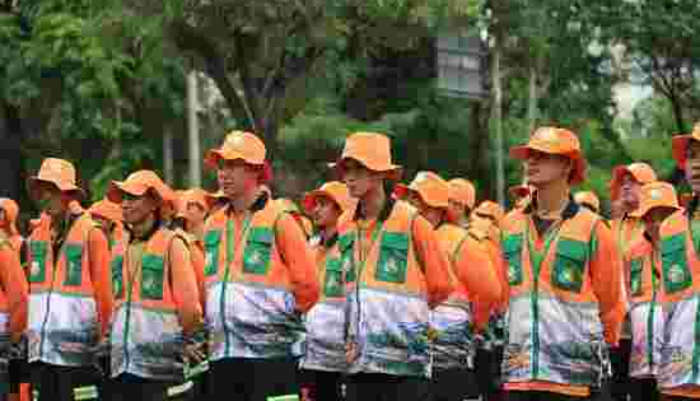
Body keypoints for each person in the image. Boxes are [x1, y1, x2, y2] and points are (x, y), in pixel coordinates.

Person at [502, 127, 625, 401]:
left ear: (567, 165)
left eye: (543, 155)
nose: (531, 161)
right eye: (529, 155)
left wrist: (592, 355)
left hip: (572, 379)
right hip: (519, 375)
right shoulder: (509, 224)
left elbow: (610, 303)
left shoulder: (592, 228)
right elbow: (504, 293)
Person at [331, 132, 454, 401]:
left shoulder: (413, 222)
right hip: (358, 362)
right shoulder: (344, 224)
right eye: (345, 169)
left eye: (358, 169)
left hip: (405, 364)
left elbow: (442, 285)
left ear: (380, 174)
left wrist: (406, 317)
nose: (349, 177)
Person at [202, 131, 320, 401]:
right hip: (222, 356)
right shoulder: (212, 225)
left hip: (273, 358)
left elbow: (310, 286)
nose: (223, 174)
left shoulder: (280, 220)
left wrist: (276, 319)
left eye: (232, 165)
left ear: (255, 171)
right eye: (221, 166)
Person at [396, 171, 501, 401]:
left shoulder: (461, 242)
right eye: (410, 198)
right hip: (407, 358)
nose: (412, 205)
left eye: (419, 200)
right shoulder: (403, 237)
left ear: (438, 209)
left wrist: (471, 326)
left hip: (445, 360)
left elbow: (490, 292)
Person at [105, 170, 205, 400]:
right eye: (124, 198)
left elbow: (190, 311)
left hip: (163, 372)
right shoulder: (118, 247)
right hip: (123, 368)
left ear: (153, 203)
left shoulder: (173, 244)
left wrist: (175, 343)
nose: (125, 204)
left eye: (133, 198)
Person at [24, 158, 113, 401]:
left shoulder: (92, 234)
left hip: (79, 356)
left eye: (53, 189)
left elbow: (105, 297)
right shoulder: (35, 238)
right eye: (42, 189)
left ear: (68, 194)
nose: (45, 196)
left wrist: (102, 342)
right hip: (40, 354)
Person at [654, 122, 700, 399]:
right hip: (679, 374)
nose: (696, 164)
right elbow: (667, 300)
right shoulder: (670, 227)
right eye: (692, 156)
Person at [298, 181, 354, 401]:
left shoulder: (351, 248)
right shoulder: (309, 248)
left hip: (343, 360)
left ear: (341, 209)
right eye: (315, 204)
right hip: (311, 358)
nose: (316, 209)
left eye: (323, 204)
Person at [624, 182, 679, 401]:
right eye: (649, 217)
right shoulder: (632, 251)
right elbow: (625, 297)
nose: (656, 223)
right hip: (641, 364)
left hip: (679, 364)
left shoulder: (690, 247)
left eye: (664, 216)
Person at [608, 162, 657, 401]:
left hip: (649, 323)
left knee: (649, 388)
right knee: (615, 388)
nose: (626, 186)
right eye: (623, 182)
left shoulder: (661, 224)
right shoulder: (610, 226)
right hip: (616, 328)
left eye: (634, 182)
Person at [0, 205, 29, 401]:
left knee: (14, 379)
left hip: (9, 326)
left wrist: (16, 332)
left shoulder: (13, 245)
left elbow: (19, 294)